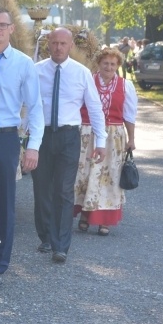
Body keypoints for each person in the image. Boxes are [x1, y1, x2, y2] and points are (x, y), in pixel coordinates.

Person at [0, 7, 44, 289]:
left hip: (5, 137)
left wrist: (33, 147)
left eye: (2, 25)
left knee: (5, 202)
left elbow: (35, 107)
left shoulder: (23, 63)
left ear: (11, 29)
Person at [32, 27, 106, 263]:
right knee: (42, 188)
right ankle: (45, 236)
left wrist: (101, 140)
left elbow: (94, 107)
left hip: (68, 137)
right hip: (41, 136)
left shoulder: (81, 73)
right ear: (48, 45)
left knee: (64, 190)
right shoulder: (36, 71)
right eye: (54, 43)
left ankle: (60, 245)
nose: (58, 48)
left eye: (63, 44)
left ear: (71, 45)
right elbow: (28, 104)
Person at [74, 48, 137, 236]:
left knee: (109, 178)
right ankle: (85, 216)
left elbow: (129, 115)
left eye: (113, 64)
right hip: (87, 134)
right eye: (105, 63)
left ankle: (105, 220)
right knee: (85, 175)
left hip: (113, 136)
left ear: (118, 66)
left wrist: (131, 138)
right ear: (98, 64)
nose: (109, 67)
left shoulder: (125, 86)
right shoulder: (87, 81)